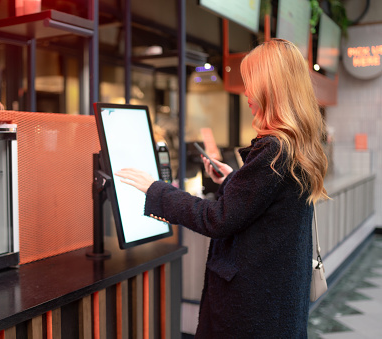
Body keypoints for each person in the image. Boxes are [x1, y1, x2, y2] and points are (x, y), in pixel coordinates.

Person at [115, 39, 329, 338]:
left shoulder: (274, 150)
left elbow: (217, 218)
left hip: (253, 310)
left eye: (251, 83)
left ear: (272, 88)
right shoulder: (297, 144)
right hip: (277, 300)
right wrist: (232, 180)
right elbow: (262, 205)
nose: (246, 93)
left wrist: (156, 190)